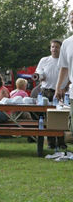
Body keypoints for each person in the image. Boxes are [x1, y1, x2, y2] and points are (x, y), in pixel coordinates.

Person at [35, 39, 67, 149]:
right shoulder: (44, 60)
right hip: (46, 92)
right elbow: (39, 73)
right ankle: (51, 144)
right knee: (47, 119)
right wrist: (40, 76)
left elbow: (69, 77)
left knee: (60, 118)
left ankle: (61, 143)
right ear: (50, 48)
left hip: (60, 93)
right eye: (52, 47)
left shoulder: (65, 61)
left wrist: (65, 88)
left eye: (56, 47)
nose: (54, 49)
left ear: (61, 49)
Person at [55, 10, 73, 147]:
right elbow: (64, 67)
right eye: (71, 21)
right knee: (72, 126)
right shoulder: (67, 43)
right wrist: (59, 87)